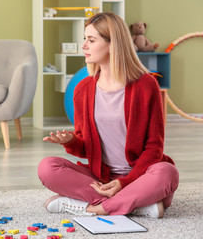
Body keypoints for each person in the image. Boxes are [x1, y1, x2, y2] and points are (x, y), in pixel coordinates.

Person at [38, 12, 179, 219]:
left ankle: (95, 208)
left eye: (91, 40)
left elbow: (154, 148)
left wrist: (125, 182)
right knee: (47, 167)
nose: (83, 46)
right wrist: (70, 141)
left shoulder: (146, 85)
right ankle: (133, 205)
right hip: (99, 178)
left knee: (167, 173)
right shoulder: (82, 89)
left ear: (113, 45)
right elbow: (86, 148)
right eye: (84, 39)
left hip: (139, 177)